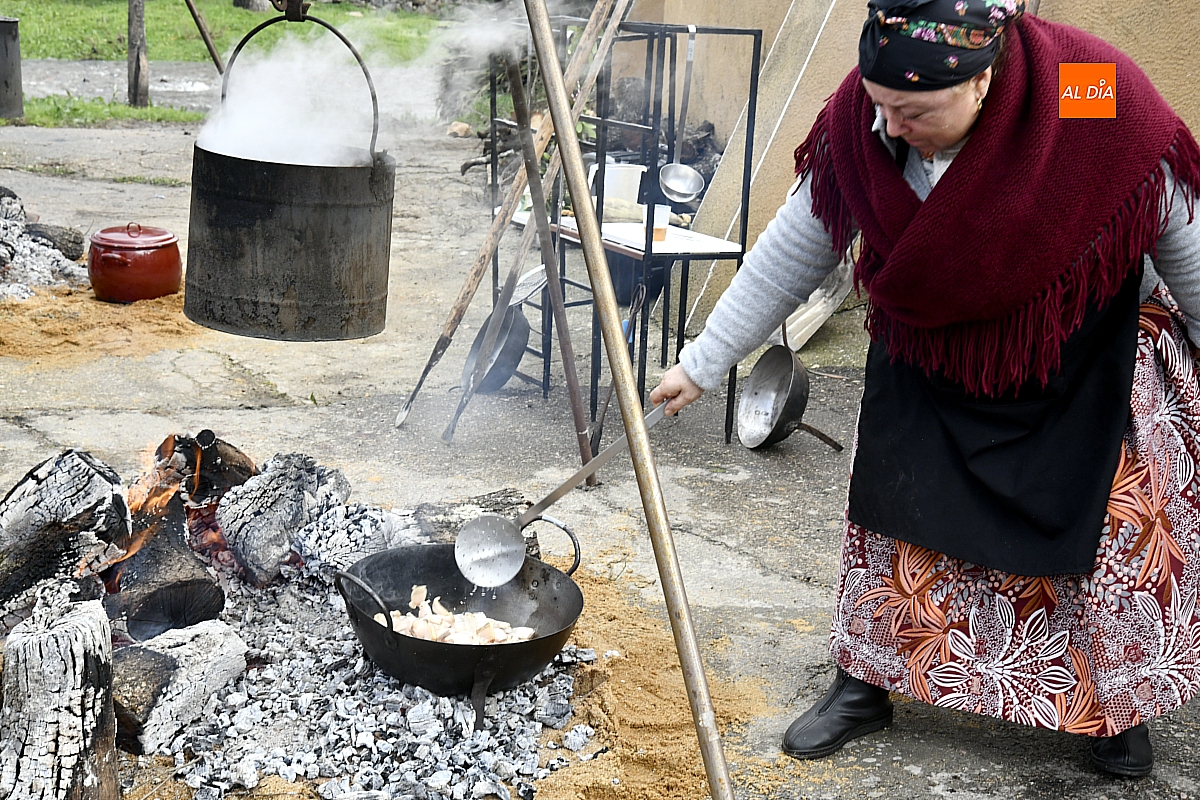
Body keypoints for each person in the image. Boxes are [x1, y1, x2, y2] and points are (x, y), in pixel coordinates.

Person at [651, 0, 1200, 777]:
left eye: (911, 113)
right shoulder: (862, 115)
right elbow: (797, 244)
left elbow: (1171, 210)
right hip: (927, 353)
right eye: (880, 107)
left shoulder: (1085, 88)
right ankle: (865, 682)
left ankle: (1112, 706)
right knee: (894, 513)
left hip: (1072, 356)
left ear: (980, 80)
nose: (889, 128)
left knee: (1106, 528)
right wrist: (703, 363)